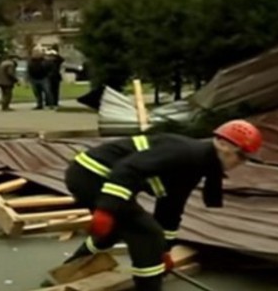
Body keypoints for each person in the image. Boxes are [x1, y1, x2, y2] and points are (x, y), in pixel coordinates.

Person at [60, 120, 263, 291]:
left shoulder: (199, 163)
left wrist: (164, 250)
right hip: (91, 175)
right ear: (223, 144)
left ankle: (67, 271)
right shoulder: (188, 153)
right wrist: (107, 208)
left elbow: (171, 207)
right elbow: (127, 169)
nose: (242, 162)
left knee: (119, 231)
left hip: (98, 177)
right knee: (147, 234)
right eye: (241, 155)